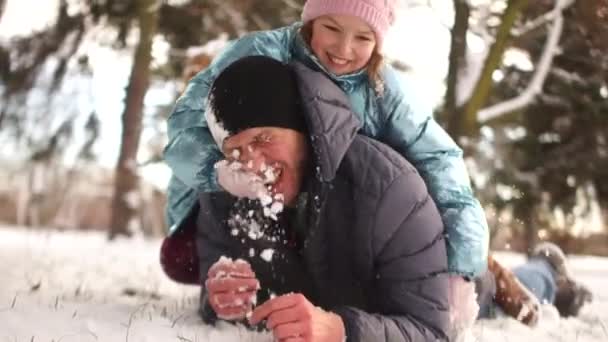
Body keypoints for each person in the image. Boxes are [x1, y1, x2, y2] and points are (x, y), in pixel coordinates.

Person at [162, 0, 489, 285]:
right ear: (310, 21)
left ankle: (497, 272)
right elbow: (184, 124)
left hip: (337, 210)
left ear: (378, 42)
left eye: (363, 37)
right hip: (249, 194)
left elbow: (439, 161)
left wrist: (460, 267)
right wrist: (216, 172)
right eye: (332, 28)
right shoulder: (262, 54)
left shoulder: (384, 91)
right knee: (183, 259)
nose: (343, 50)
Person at [194, 55, 450, 341]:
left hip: (438, 259)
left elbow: (431, 331)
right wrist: (222, 299)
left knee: (474, 288)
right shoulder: (223, 198)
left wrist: (342, 329)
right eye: (235, 151)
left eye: (262, 139)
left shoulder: (391, 190)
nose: (251, 165)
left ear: (301, 128)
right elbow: (213, 287)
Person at [476, 242, 593, 326]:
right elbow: (513, 299)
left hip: (489, 284)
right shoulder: (540, 278)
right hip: (488, 293)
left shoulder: (535, 274)